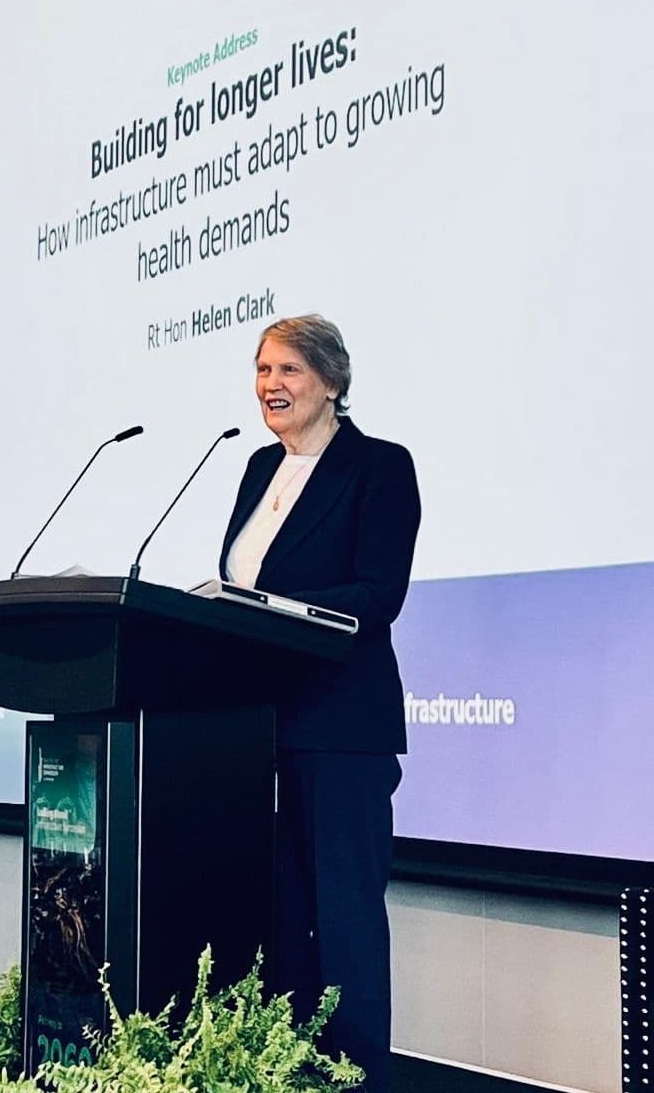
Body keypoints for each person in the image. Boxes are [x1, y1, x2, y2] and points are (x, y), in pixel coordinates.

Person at [218, 314, 420, 1092]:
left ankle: (357, 1078)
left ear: (331, 380)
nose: (271, 385)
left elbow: (378, 596)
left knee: (345, 922)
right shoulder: (254, 471)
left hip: (341, 728)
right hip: (256, 730)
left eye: (289, 371)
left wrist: (270, 605)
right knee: (278, 926)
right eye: (262, 370)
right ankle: (287, 1073)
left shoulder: (379, 468)